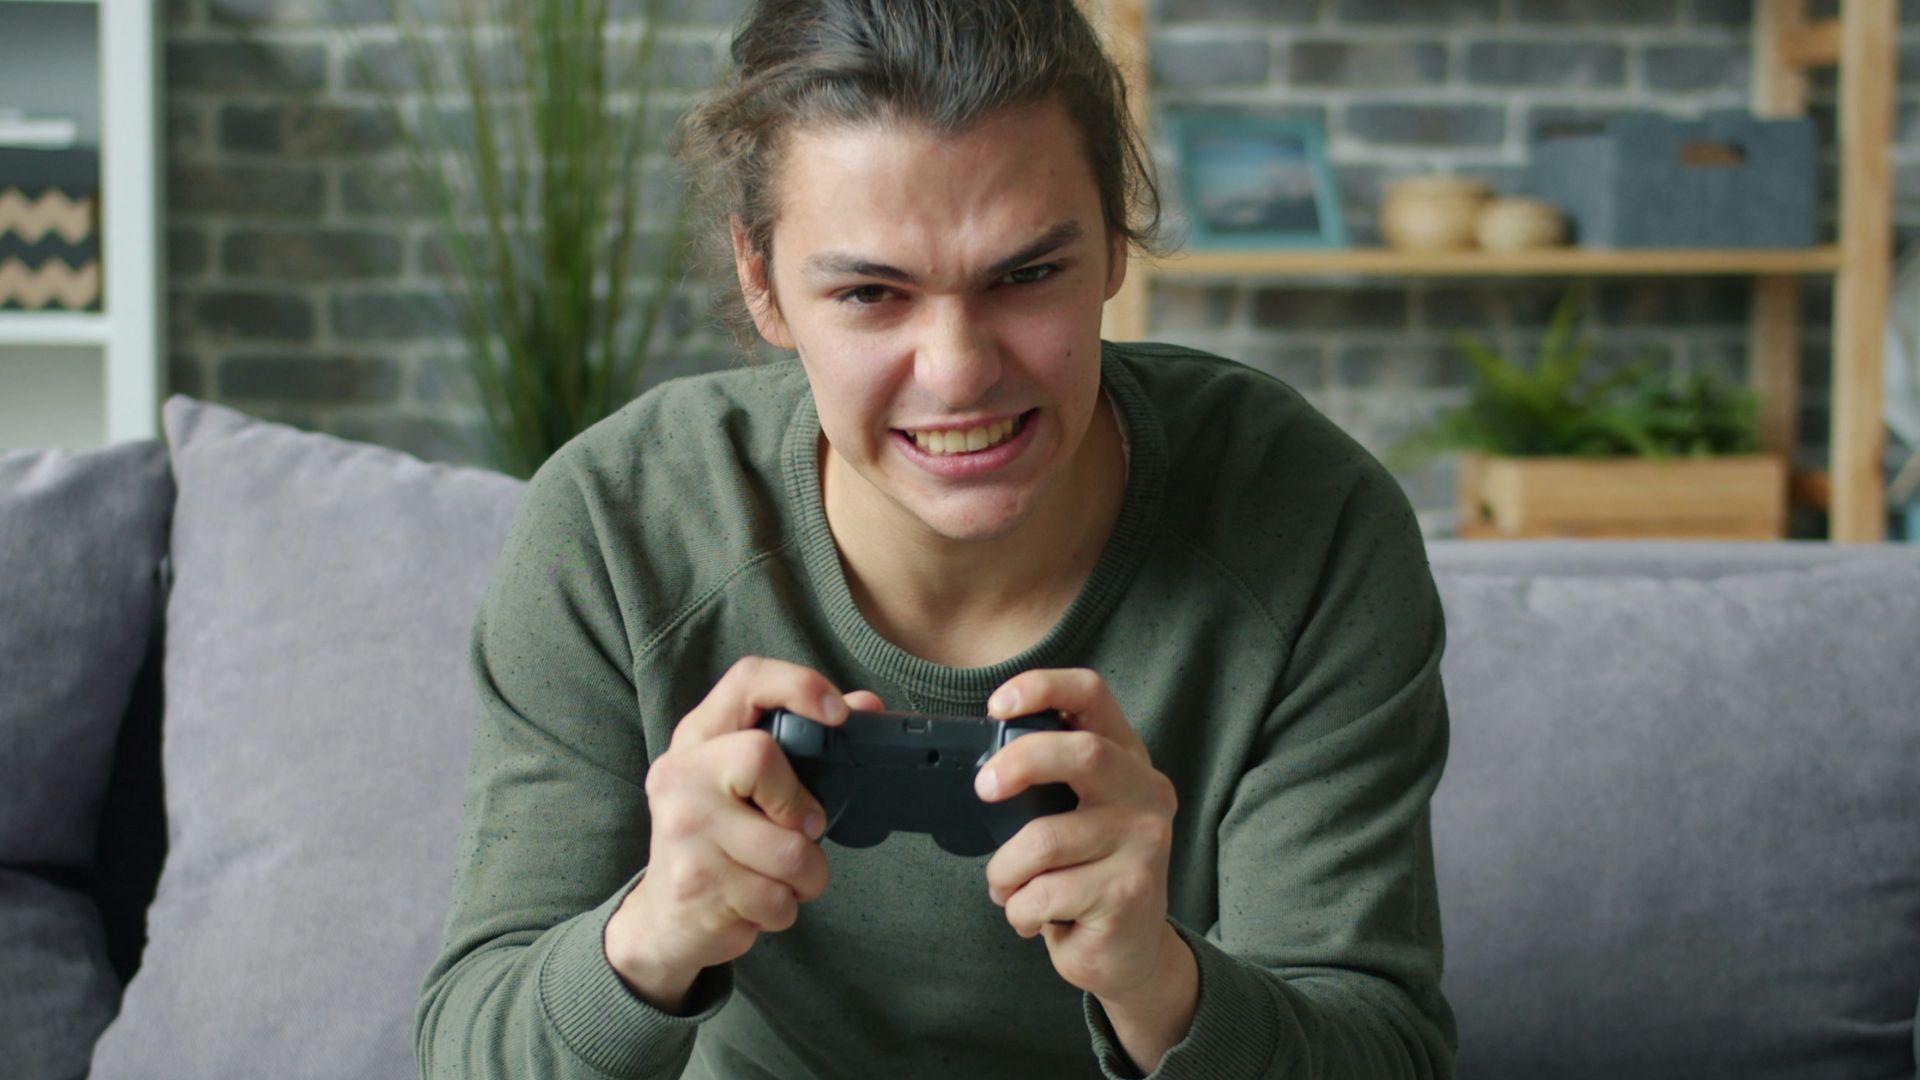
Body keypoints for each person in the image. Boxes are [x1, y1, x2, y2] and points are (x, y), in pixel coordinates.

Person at [414, 1, 1458, 1077]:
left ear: (1114, 243)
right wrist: (651, 937)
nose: (958, 372)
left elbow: (1385, 1054)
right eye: (871, 293)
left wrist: (1156, 977)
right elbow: (469, 1053)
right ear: (761, 281)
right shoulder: (614, 529)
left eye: (1025, 276)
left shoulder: (1311, 521)